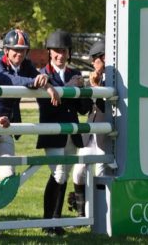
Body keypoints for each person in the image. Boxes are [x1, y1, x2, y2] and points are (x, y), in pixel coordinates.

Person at [0, 29, 59, 213]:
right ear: (6, 50)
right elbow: (10, 80)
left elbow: (36, 77)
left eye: (23, 50)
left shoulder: (26, 64)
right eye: (15, 49)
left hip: (7, 127)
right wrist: (35, 82)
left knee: (9, 177)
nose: (19, 53)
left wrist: (46, 83)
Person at [36, 29, 92, 236]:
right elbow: (49, 106)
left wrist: (82, 89)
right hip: (52, 132)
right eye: (56, 51)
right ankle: (48, 221)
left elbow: (83, 109)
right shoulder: (42, 75)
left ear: (69, 52)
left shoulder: (75, 74)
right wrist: (70, 88)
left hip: (72, 133)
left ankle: (54, 221)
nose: (60, 55)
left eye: (63, 51)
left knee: (64, 174)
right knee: (58, 174)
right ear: (50, 52)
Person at [69, 39, 110, 217]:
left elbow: (106, 104)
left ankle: (99, 213)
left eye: (95, 59)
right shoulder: (94, 76)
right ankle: (81, 212)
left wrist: (97, 87)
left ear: (104, 58)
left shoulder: (114, 78)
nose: (93, 64)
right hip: (89, 132)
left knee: (101, 172)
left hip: (104, 133)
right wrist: (86, 88)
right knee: (78, 171)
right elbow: (86, 107)